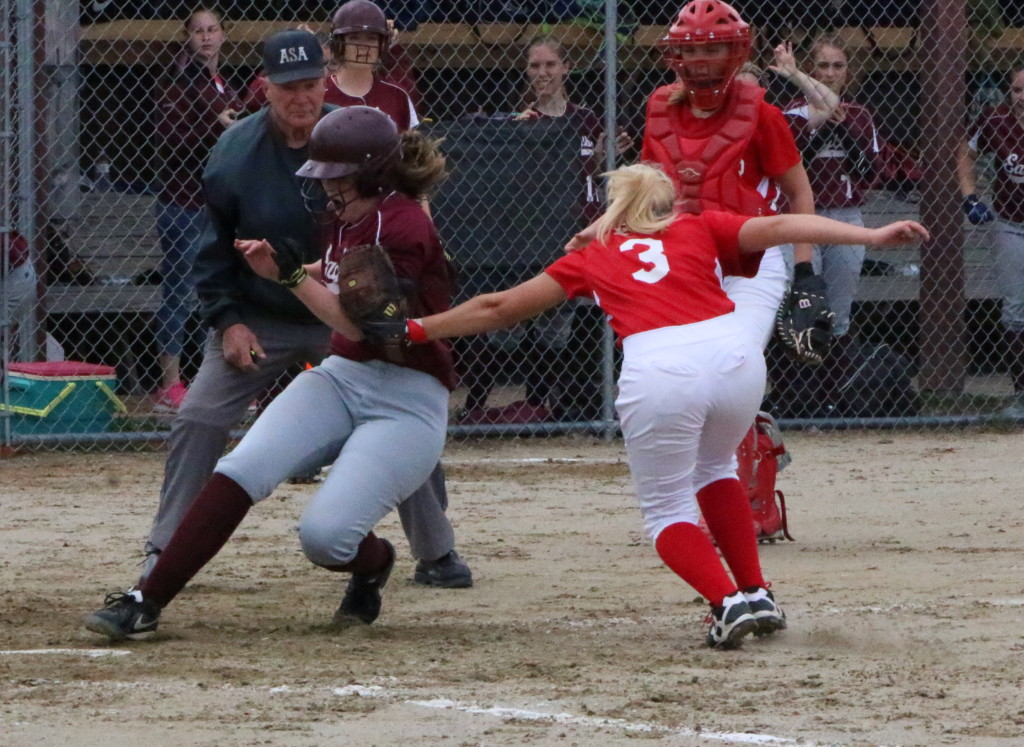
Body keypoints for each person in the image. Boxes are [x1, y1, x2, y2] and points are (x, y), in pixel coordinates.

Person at [358, 163, 929, 648]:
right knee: (717, 468)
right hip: (733, 356)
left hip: (661, 364)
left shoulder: (596, 252)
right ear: (665, 205)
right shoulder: (697, 228)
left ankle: (726, 602)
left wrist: (410, 328)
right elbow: (780, 224)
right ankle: (756, 593)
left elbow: (496, 308)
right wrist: (872, 236)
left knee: (666, 510)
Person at [85, 105, 459, 641]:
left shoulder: (402, 225)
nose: (328, 191)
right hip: (346, 377)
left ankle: (373, 562)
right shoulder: (354, 214)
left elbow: (360, 326)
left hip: (408, 398)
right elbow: (337, 276)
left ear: (373, 174)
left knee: (325, 538)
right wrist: (288, 265)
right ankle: (146, 598)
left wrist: (286, 276)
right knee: (243, 467)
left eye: (339, 179)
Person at [133, 29, 470, 595]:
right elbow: (213, 252)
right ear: (264, 88)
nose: (301, 98)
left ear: (326, 80)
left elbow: (397, 238)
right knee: (199, 416)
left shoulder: (351, 138)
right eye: (288, 87)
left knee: (397, 415)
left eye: (312, 84)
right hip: (261, 313)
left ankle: (436, 550)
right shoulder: (235, 152)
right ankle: (166, 547)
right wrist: (229, 323)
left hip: (342, 313)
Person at [569, 0, 818, 356]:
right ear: (677, 54)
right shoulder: (661, 110)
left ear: (735, 51)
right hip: (681, 257)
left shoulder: (762, 114)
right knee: (675, 361)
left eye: (713, 48)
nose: (702, 59)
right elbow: (647, 192)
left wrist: (805, 269)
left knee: (736, 358)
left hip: (748, 259)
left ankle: (745, 409)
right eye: (693, 49)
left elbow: (799, 193)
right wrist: (601, 228)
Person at [457, 36, 632, 426]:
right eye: (535, 66)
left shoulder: (586, 119)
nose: (543, 74)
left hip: (575, 228)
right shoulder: (521, 122)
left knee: (558, 322)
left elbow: (600, 173)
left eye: (550, 65)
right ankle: (478, 401)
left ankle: (542, 403)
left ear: (566, 67)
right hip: (529, 233)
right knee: (511, 323)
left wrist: (607, 152)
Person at [151, 6, 242, 412]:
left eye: (212, 30)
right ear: (187, 36)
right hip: (184, 202)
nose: (206, 37)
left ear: (223, 35)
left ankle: (227, 381)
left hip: (218, 205)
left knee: (227, 290)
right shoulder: (176, 80)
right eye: (198, 31)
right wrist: (215, 126)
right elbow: (171, 142)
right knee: (180, 293)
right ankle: (169, 386)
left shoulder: (219, 82)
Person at [782, 34, 881, 343]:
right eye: (823, 65)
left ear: (847, 71)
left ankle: (833, 388)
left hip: (844, 217)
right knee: (803, 306)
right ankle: (797, 388)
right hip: (802, 218)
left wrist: (844, 129)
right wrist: (825, 127)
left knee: (838, 314)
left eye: (838, 66)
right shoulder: (793, 112)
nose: (830, 73)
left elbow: (868, 173)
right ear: (811, 69)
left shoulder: (860, 116)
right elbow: (792, 166)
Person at [958, 61, 1024, 418]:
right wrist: (970, 195)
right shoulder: (996, 119)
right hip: (1012, 222)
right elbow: (965, 153)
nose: (1022, 98)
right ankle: (1021, 392)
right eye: (1016, 90)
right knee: (1015, 308)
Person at [324, 0, 418, 131]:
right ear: (338, 43)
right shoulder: (321, 93)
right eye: (354, 38)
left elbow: (409, 147)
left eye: (371, 38)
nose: (363, 46)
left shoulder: (397, 95)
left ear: (382, 44)